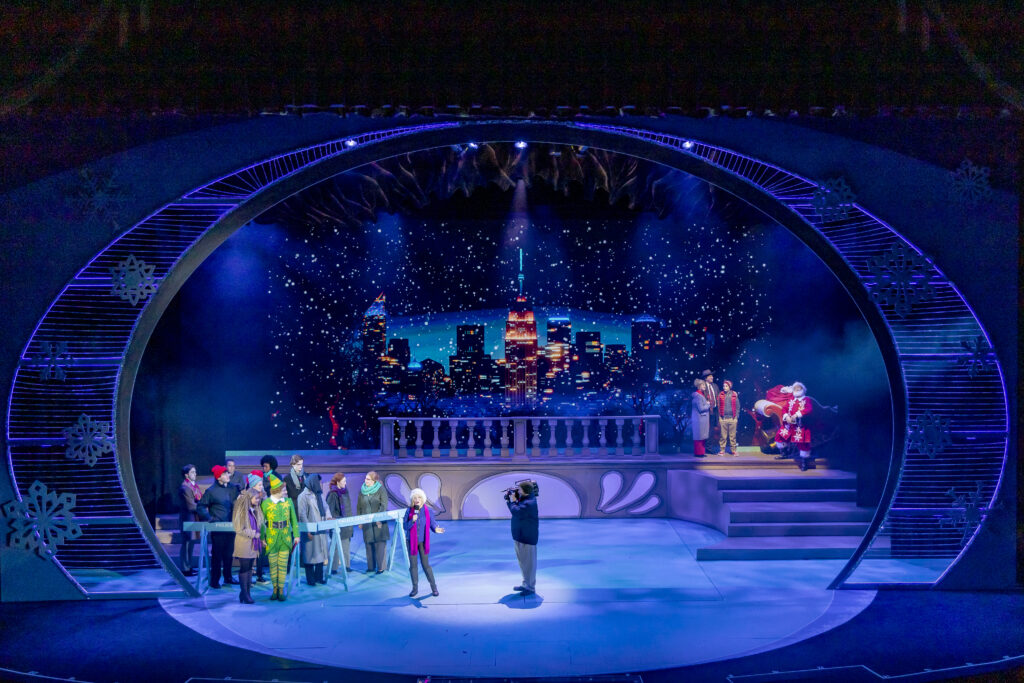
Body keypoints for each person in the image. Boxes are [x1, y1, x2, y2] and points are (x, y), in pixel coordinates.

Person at [196, 465, 240, 588]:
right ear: (219, 477)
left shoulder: (233, 488)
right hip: (218, 527)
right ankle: (214, 580)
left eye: (227, 473)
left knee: (229, 553)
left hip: (231, 526)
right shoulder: (211, 491)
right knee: (217, 554)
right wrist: (210, 518)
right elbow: (200, 506)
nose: (228, 475)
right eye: (225, 474)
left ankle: (228, 577)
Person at [261, 473, 299, 601]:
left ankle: (281, 589)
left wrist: (296, 535)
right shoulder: (266, 503)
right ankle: (275, 589)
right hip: (271, 538)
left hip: (285, 538)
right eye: (283, 490)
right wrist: (262, 538)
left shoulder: (288, 502)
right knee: (273, 565)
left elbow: (294, 520)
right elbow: (261, 523)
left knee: (282, 565)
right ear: (277, 491)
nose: (285, 491)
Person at [403, 488, 445, 598]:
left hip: (423, 542)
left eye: (419, 497)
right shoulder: (409, 511)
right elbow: (405, 526)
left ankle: (434, 588)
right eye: (415, 498)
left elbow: (432, 523)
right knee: (413, 566)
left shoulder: (428, 511)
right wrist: (412, 520)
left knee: (426, 565)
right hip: (411, 542)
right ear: (412, 500)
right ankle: (415, 588)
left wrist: (436, 529)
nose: (417, 499)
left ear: (423, 499)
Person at [232, 471, 265, 604]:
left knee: (250, 568)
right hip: (244, 543)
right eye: (256, 499)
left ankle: (245, 593)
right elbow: (239, 528)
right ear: (250, 497)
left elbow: (260, 524)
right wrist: (254, 534)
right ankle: (245, 594)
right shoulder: (241, 510)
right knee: (244, 568)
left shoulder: (255, 510)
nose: (258, 501)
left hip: (253, 544)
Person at [297, 473, 329, 586]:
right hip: (310, 530)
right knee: (309, 556)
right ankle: (310, 579)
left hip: (320, 529)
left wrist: (329, 517)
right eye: (318, 482)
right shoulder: (303, 496)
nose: (320, 484)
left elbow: (326, 507)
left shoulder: (319, 494)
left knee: (320, 554)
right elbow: (302, 514)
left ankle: (319, 577)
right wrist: (308, 530)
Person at [507, 481, 538, 595]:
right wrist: (510, 500)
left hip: (527, 537)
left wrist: (512, 501)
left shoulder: (529, 503)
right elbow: (516, 507)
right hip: (520, 535)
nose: (518, 491)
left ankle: (530, 587)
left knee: (529, 565)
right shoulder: (526, 499)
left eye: (519, 489)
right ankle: (526, 584)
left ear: (525, 491)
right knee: (523, 563)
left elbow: (516, 511)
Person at [776, 381, 815, 470]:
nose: (797, 390)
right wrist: (786, 416)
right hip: (789, 425)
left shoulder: (806, 399)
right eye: (795, 389)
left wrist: (796, 415)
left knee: (802, 443)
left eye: (799, 388)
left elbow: (808, 409)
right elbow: (784, 409)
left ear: (803, 390)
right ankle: (784, 453)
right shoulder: (791, 400)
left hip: (800, 425)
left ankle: (804, 462)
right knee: (780, 435)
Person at [357, 471, 390, 574]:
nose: (365, 481)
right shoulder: (362, 490)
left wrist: (378, 518)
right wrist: (360, 520)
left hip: (378, 523)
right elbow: (359, 506)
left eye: (368, 479)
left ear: (374, 481)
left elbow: (383, 505)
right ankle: (370, 567)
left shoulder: (381, 489)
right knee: (368, 544)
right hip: (367, 523)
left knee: (379, 545)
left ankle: (381, 567)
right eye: (365, 478)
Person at [325, 473, 353, 573]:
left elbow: (348, 508)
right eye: (344, 481)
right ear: (338, 482)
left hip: (346, 524)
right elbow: (331, 511)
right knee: (335, 547)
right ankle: (333, 568)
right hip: (337, 524)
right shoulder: (333, 494)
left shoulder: (345, 491)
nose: (345, 483)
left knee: (346, 546)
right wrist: (338, 521)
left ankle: (347, 566)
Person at [177, 464, 201, 577]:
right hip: (188, 519)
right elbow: (191, 506)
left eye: (195, 472)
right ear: (186, 475)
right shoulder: (185, 487)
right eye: (192, 472)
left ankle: (189, 566)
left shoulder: (193, 486)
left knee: (191, 544)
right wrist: (203, 507)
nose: (195, 474)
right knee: (186, 544)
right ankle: (185, 569)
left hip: (193, 518)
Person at [718, 379, 740, 455]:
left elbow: (738, 407)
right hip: (723, 418)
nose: (724, 387)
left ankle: (733, 450)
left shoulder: (734, 395)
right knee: (723, 436)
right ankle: (722, 450)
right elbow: (718, 406)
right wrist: (720, 418)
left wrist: (736, 417)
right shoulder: (720, 395)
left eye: (726, 386)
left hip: (732, 418)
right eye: (724, 386)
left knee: (732, 436)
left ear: (730, 387)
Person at [701, 370, 721, 451]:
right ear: (706, 378)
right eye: (710, 376)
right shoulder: (703, 386)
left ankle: (709, 447)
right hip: (706, 411)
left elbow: (719, 396)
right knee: (706, 430)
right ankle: (704, 447)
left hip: (714, 411)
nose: (712, 377)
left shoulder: (715, 386)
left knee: (711, 430)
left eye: (712, 376)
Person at [691, 379, 711, 457]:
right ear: (699, 386)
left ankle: (701, 453)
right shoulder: (698, 396)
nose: (704, 386)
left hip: (701, 419)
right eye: (703, 385)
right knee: (700, 437)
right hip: (700, 419)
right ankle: (699, 453)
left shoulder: (699, 395)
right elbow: (701, 408)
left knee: (701, 437)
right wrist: (708, 404)